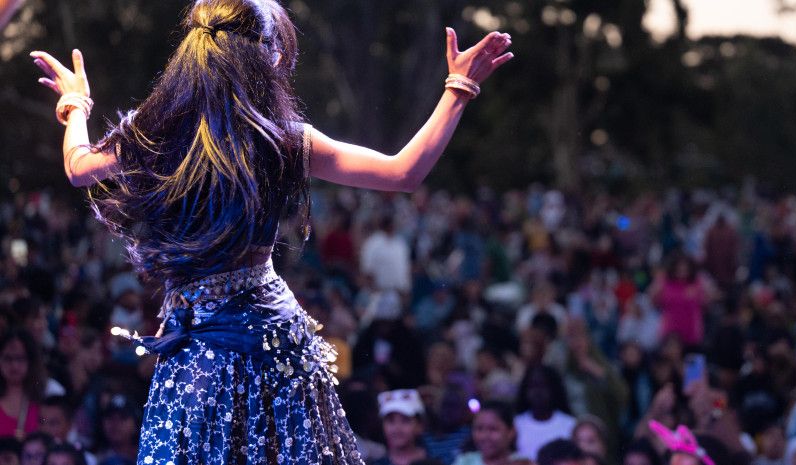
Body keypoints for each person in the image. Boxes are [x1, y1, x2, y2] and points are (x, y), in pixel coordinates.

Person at [30, 0, 512, 464]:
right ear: (267, 56)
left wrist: (76, 103)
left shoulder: (154, 134)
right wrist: (458, 88)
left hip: (196, 349)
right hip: (270, 340)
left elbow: (77, 167)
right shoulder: (283, 139)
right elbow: (402, 172)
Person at [513, 365, 576, 461]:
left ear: (554, 389)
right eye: (532, 386)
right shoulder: (516, 424)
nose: (537, 392)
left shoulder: (570, 425)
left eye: (543, 386)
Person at [0, 331, 46, 440]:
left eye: (20, 358)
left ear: (31, 361)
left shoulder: (46, 393)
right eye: (8, 358)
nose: (14, 366)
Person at [452, 401, 526, 465]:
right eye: (479, 428)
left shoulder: (523, 463)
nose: (484, 436)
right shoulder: (465, 462)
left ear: (511, 432)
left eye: (493, 429)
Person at [373, 389, 429, 465]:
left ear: (419, 426)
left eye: (405, 420)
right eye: (391, 421)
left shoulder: (434, 460)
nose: (397, 428)